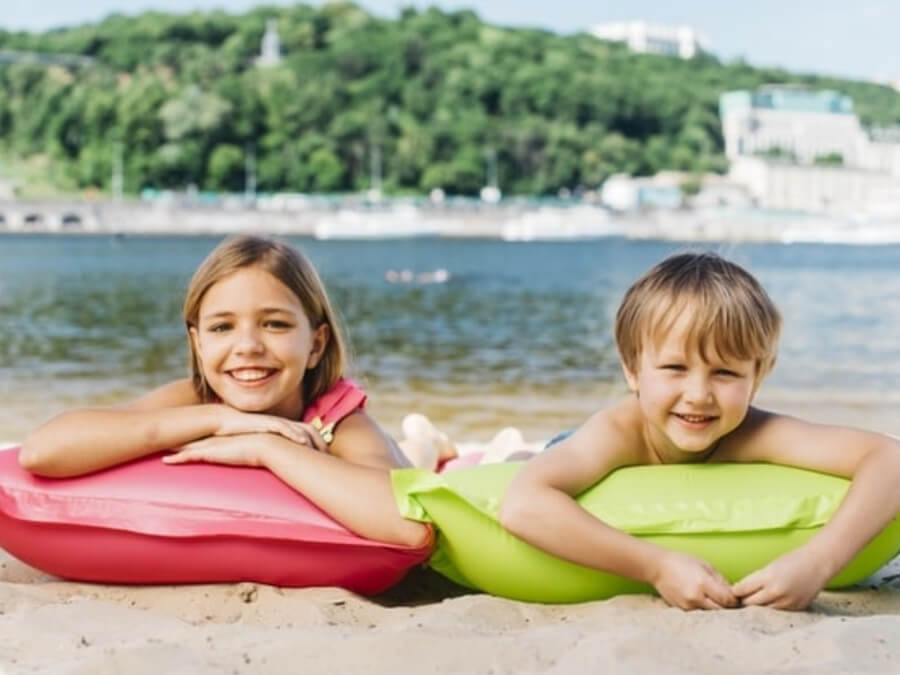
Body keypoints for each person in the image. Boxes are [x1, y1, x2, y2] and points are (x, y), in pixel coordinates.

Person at [500, 251, 900, 611]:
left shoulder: (756, 432)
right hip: (569, 442)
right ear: (631, 368)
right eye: (675, 368)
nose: (698, 395)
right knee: (520, 461)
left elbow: (889, 457)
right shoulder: (617, 432)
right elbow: (523, 505)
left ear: (758, 376)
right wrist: (657, 567)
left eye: (725, 373)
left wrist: (817, 563)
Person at [20, 234, 430, 549]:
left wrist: (266, 448)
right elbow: (42, 451)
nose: (248, 346)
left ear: (316, 345)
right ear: (199, 345)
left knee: (419, 459)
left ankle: (429, 441)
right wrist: (219, 419)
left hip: (399, 462)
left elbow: (410, 528)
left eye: (275, 324)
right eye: (222, 327)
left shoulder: (339, 423)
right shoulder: (197, 401)